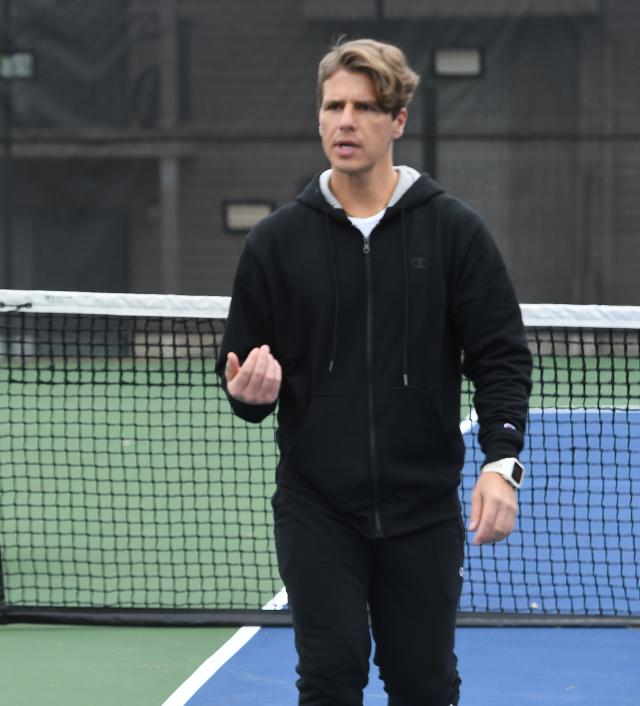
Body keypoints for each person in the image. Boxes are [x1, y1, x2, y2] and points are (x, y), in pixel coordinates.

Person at [217, 38, 532, 705]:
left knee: (424, 685)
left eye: (363, 107)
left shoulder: (455, 232)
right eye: (333, 106)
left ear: (398, 121)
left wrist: (501, 462)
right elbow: (243, 378)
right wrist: (246, 392)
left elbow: (500, 356)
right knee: (329, 676)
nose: (345, 121)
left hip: (422, 510)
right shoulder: (275, 242)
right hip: (316, 507)